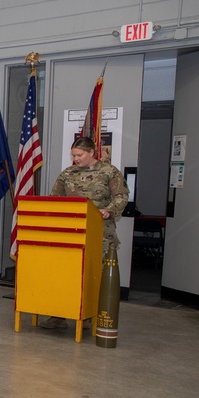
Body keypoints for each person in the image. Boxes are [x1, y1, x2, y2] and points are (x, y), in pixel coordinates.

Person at [40, 136, 129, 330]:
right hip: (72, 232)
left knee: (95, 274)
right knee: (65, 273)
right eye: (73, 155)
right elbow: (55, 198)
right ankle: (59, 314)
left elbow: (121, 196)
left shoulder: (109, 172)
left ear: (91, 152)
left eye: (79, 155)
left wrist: (109, 210)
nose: (76, 159)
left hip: (100, 232)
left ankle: (92, 315)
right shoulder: (68, 173)